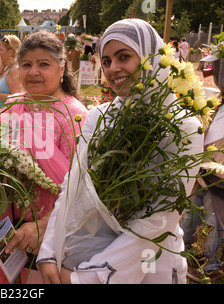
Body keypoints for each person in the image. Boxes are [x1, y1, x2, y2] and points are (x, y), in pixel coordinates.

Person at [37, 18, 204, 284]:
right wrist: (48, 253)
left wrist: (89, 277)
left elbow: (159, 218)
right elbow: (73, 187)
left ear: (151, 56)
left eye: (124, 57)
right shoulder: (99, 117)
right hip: (84, 254)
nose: (113, 68)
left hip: (150, 262)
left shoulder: (182, 125)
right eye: (105, 61)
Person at [0, 30, 88, 284]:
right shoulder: (13, 105)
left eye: (43, 64)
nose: (33, 72)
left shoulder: (76, 117)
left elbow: (83, 189)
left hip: (52, 241)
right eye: (26, 65)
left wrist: (44, 226)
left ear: (61, 68)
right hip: (8, 233)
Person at [182, 46, 224, 278]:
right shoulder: (219, 100)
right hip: (205, 167)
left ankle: (212, 263)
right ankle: (189, 252)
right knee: (194, 210)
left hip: (217, 172)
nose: (215, 74)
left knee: (213, 216)